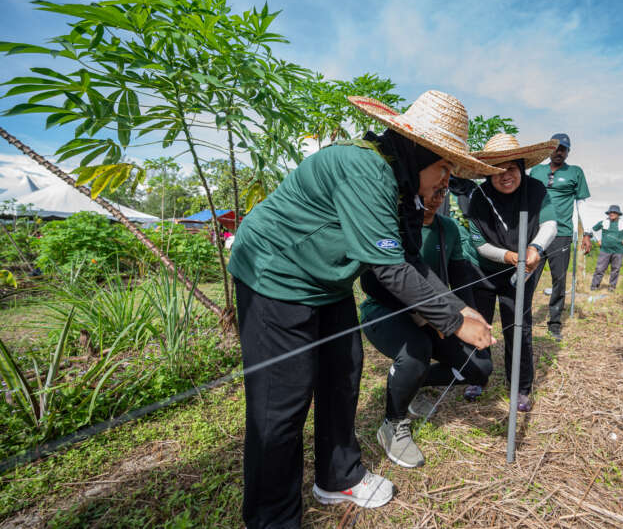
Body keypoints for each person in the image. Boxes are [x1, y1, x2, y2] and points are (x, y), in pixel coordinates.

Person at [227, 90, 500, 529]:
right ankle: (272, 518)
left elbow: (408, 258)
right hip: (274, 273)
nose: (447, 182)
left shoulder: (401, 187)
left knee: (344, 372)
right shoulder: (365, 168)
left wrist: (459, 310)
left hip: (326, 280)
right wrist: (453, 321)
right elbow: (389, 269)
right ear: (419, 151)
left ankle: (338, 477)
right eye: (445, 167)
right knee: (282, 401)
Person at [360, 187, 492, 469]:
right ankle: (393, 423)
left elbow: (460, 279)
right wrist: (427, 315)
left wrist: (471, 316)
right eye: (428, 190)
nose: (434, 197)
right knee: (416, 350)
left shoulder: (450, 229)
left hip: (437, 312)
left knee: (479, 368)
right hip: (385, 309)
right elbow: (373, 283)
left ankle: (413, 382)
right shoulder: (392, 224)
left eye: (441, 191)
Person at [461, 133, 559, 412]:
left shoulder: (536, 190)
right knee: (479, 323)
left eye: (512, 168)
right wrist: (510, 256)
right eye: (498, 170)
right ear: (489, 173)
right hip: (484, 271)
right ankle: (477, 377)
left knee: (518, 327)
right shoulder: (478, 197)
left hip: (522, 272)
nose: (506, 175)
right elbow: (479, 244)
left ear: (521, 167)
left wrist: (535, 248)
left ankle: (520, 386)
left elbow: (550, 223)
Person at [528, 133, 591, 339]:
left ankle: (554, 323)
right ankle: (522, 318)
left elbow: (581, 203)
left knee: (559, 280)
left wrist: (587, 233)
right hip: (535, 233)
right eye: (555, 148)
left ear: (568, 151)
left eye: (563, 149)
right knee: (529, 276)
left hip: (561, 233)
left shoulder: (575, 172)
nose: (559, 152)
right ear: (549, 149)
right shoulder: (536, 170)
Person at [589, 205, 623, 291]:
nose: (612, 214)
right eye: (610, 212)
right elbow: (593, 229)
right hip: (605, 250)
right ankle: (594, 287)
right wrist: (598, 239)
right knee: (600, 269)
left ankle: (612, 287)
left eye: (614, 212)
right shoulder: (604, 222)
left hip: (618, 250)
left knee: (615, 269)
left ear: (618, 214)